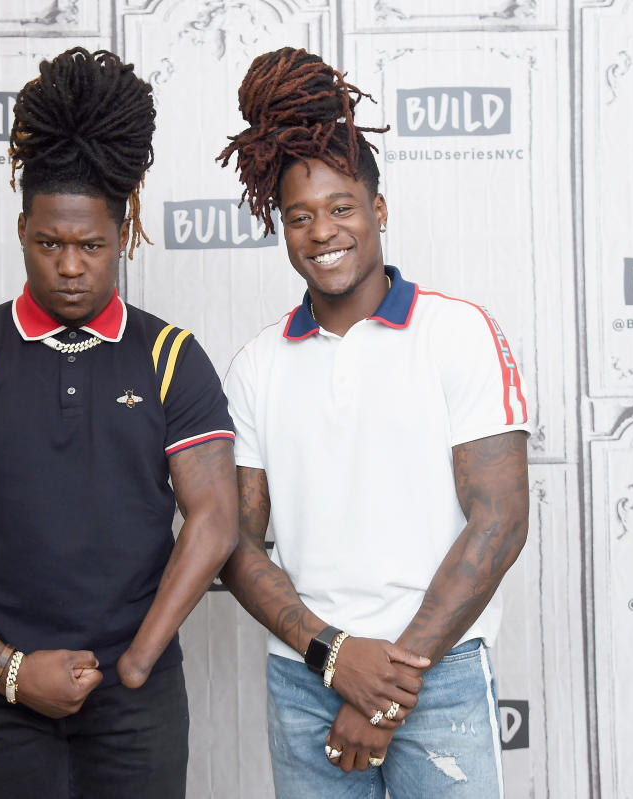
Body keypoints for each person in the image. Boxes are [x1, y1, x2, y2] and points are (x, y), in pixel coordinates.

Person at [0, 47, 237, 799]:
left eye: (91, 246)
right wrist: (7, 667)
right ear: (22, 228)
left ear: (124, 236)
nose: (70, 266)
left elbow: (217, 517)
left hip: (138, 700)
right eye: (50, 243)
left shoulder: (169, 357)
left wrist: (136, 663)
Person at [216, 47, 531, 798]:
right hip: (305, 679)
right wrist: (333, 656)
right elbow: (232, 540)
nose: (323, 231)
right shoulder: (257, 364)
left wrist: (388, 683)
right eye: (300, 216)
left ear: (378, 211)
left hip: (441, 673)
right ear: (281, 228)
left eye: (342, 207)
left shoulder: (459, 332)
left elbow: (501, 520)